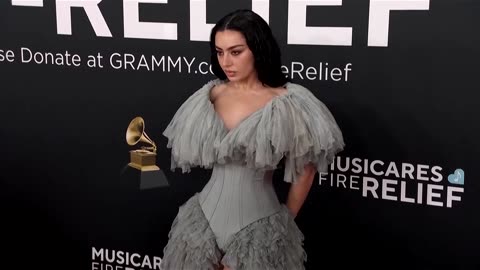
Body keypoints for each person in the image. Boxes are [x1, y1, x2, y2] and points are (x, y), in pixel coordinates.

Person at [160, 9, 344, 270]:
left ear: (257, 48)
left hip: (261, 228)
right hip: (200, 225)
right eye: (219, 52)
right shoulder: (208, 96)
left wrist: (282, 227)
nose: (226, 61)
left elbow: (306, 171)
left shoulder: (288, 102)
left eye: (236, 52)